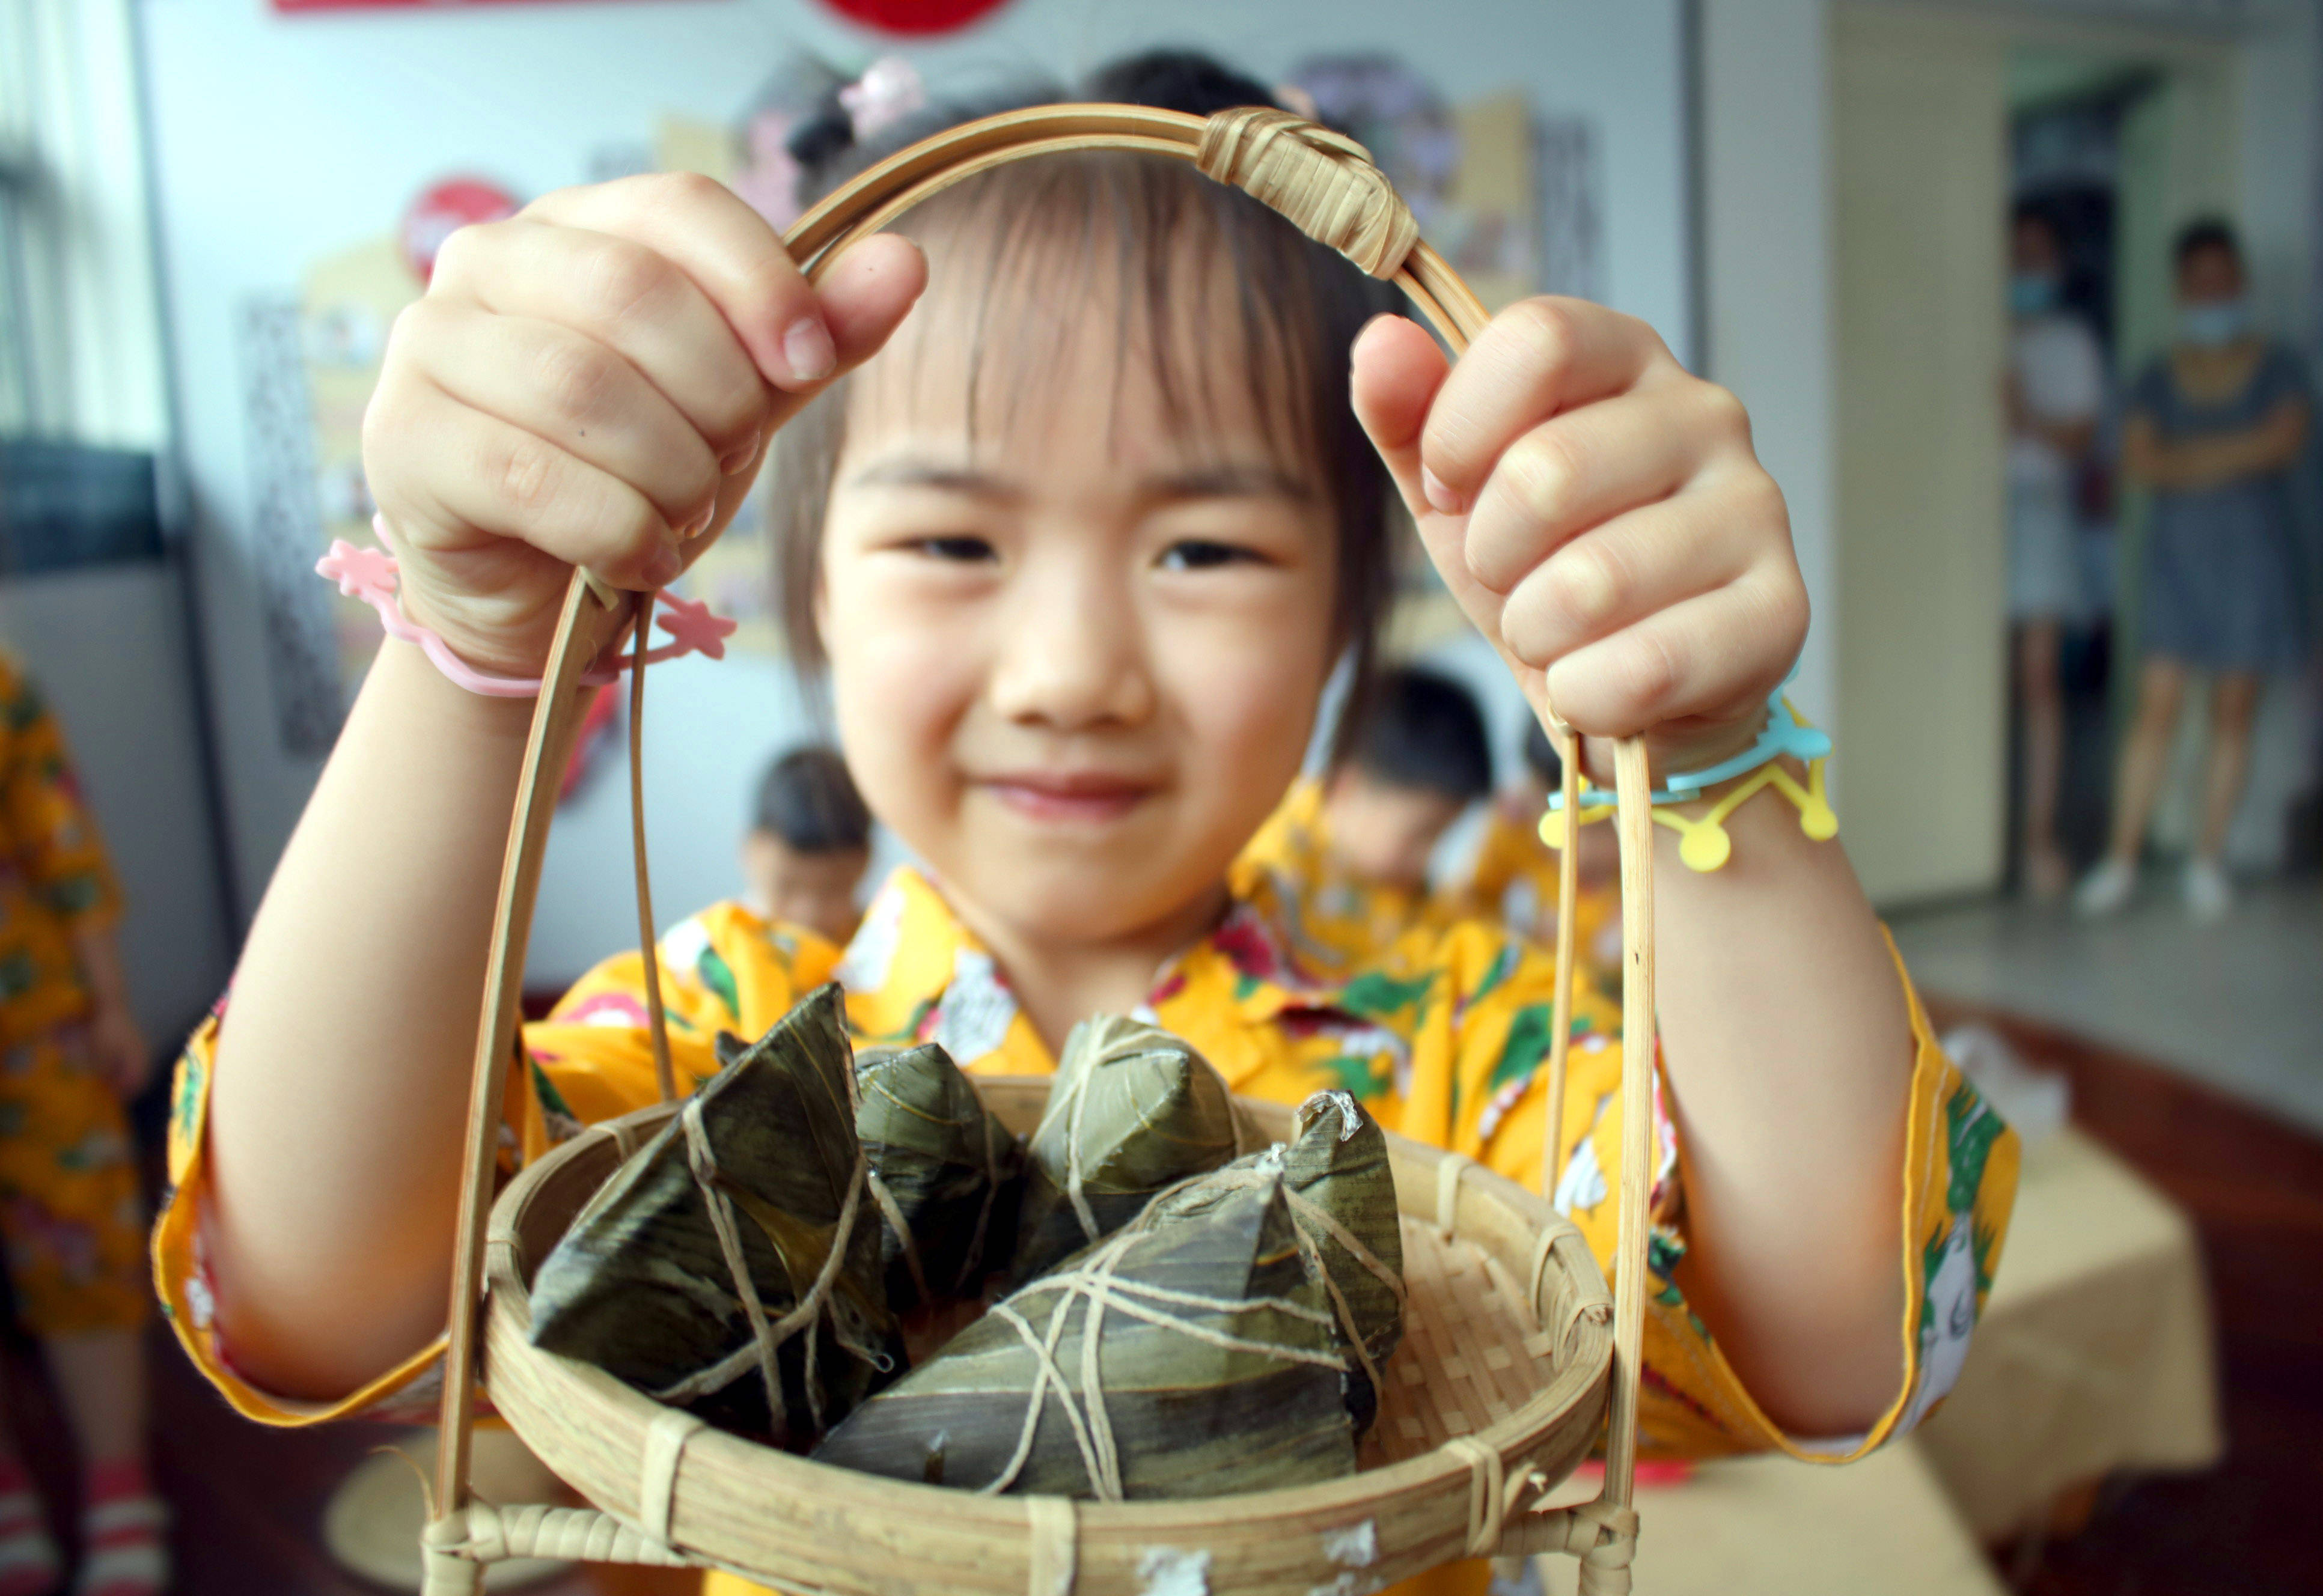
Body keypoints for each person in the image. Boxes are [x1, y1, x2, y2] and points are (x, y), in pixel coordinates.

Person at [154, 50, 2019, 1596]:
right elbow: (312, 1298)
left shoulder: (1446, 1059)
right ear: (806, 592)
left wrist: (1694, 745)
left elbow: (1854, 1337)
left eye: (1201, 547)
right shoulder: (726, 1044)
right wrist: (480, 647)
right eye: (952, 541)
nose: (1068, 669)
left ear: (1352, 612)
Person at [2077, 218, 2311, 922]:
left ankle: (2206, 859)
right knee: (2157, 708)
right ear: (2181, 290)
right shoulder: (2155, 372)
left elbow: (2285, 444)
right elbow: (2141, 460)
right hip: (2175, 562)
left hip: (2254, 561)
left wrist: (2190, 461)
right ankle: (2121, 859)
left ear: (2239, 280)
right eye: (2198, 282)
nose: (2212, 292)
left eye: (2222, 278)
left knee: (2233, 710)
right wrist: (2239, 451)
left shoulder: (2280, 365)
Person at [0, 656, 166, 1596]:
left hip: (33, 1019)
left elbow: (62, 842)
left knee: (81, 1244)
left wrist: (108, 1000)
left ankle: (117, 1481)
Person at [1235, 664, 1490, 962]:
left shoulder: (1407, 891)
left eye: (1442, 838)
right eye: (1421, 835)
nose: (1427, 860)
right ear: (1347, 787)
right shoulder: (1263, 870)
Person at [2004, 203, 2105, 901]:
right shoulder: (1976, 328)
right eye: (2016, 253)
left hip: (2038, 515)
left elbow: (2079, 442)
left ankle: (2037, 836)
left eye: (2038, 254)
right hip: (1966, 520)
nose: (2025, 267)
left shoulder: (2071, 343)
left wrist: (2023, 414)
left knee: (2038, 678)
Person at [1448, 716, 1623, 983]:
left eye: (1603, 828)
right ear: (1529, 793)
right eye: (1555, 819)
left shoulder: (1658, 865)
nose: (1577, 850)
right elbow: (1466, 904)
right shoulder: (1512, 825)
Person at [742, 745, 874, 944]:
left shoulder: (884, 952)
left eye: (833, 889)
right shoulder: (697, 958)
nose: (809, 916)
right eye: (787, 887)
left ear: (865, 862)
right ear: (751, 850)